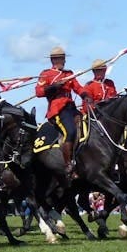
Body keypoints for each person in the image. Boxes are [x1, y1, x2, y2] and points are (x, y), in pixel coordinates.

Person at [35, 46, 91, 178]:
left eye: (63, 58)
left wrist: (85, 96)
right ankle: (68, 164)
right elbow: (38, 92)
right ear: (53, 60)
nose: (62, 61)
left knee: (87, 125)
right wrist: (52, 87)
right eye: (59, 58)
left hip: (71, 107)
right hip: (58, 109)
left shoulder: (68, 74)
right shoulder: (46, 74)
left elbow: (77, 87)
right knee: (70, 131)